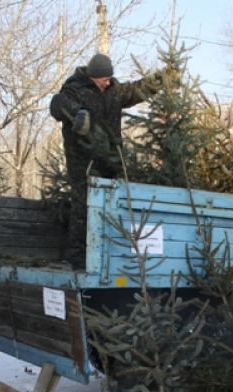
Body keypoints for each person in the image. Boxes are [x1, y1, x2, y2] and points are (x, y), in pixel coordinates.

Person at [49, 53, 170, 269]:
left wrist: (162, 78)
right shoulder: (75, 89)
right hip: (82, 160)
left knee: (113, 205)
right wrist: (78, 114)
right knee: (82, 207)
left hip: (110, 159)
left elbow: (137, 90)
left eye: (110, 77)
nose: (108, 81)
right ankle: (79, 259)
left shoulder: (114, 90)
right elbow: (57, 105)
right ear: (93, 77)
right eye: (104, 78)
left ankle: (107, 256)